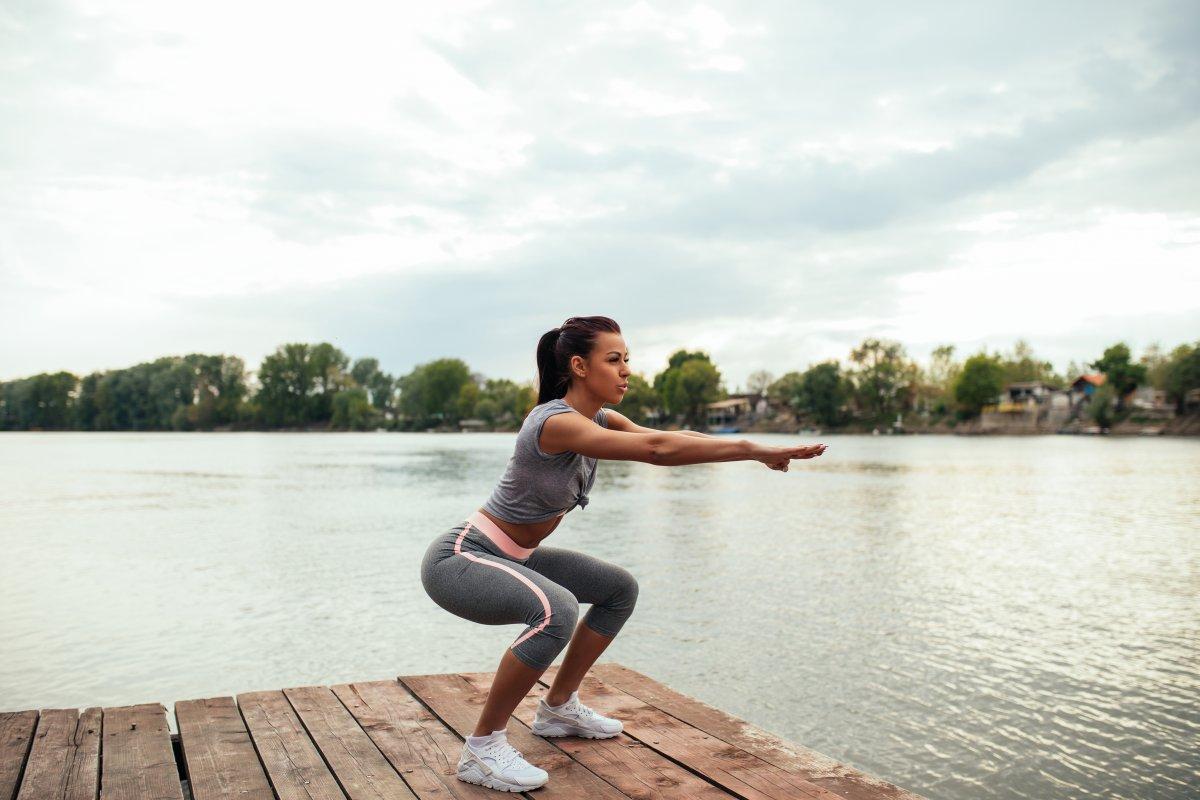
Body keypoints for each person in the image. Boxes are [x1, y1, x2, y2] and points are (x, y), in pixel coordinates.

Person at [420, 315, 828, 792]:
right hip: (462, 558)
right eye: (614, 360)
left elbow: (672, 437)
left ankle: (557, 709)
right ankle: (483, 748)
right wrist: (750, 448)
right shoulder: (554, 422)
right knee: (557, 612)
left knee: (618, 589)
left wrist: (755, 449)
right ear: (578, 366)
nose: (626, 370)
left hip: (514, 555)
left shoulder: (598, 417)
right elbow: (655, 450)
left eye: (627, 360)